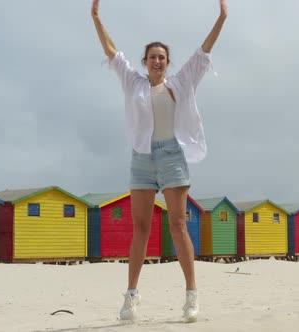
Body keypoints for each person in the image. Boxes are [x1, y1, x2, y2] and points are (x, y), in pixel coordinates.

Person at [90, 0, 227, 323]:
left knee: (178, 225)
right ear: (145, 61)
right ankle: (131, 297)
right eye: (152, 57)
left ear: (167, 63)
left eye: (162, 57)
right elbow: (112, 53)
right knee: (140, 229)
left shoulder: (180, 83)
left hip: (172, 156)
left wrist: (221, 17)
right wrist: (96, 18)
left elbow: (203, 51)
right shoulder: (133, 83)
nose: (157, 61)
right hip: (141, 157)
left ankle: (191, 296)